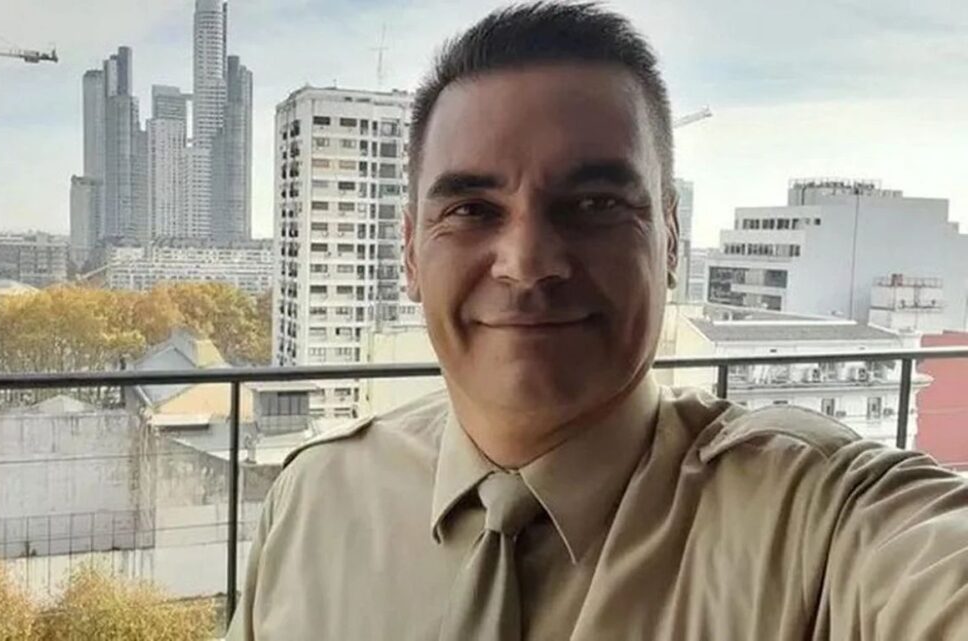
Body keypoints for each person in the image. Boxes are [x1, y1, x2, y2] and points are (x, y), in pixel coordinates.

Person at [228, 3, 968, 639]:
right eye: (472, 209)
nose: (527, 261)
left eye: (595, 205)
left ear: (670, 240)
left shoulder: (815, 522)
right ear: (410, 253)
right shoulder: (311, 504)